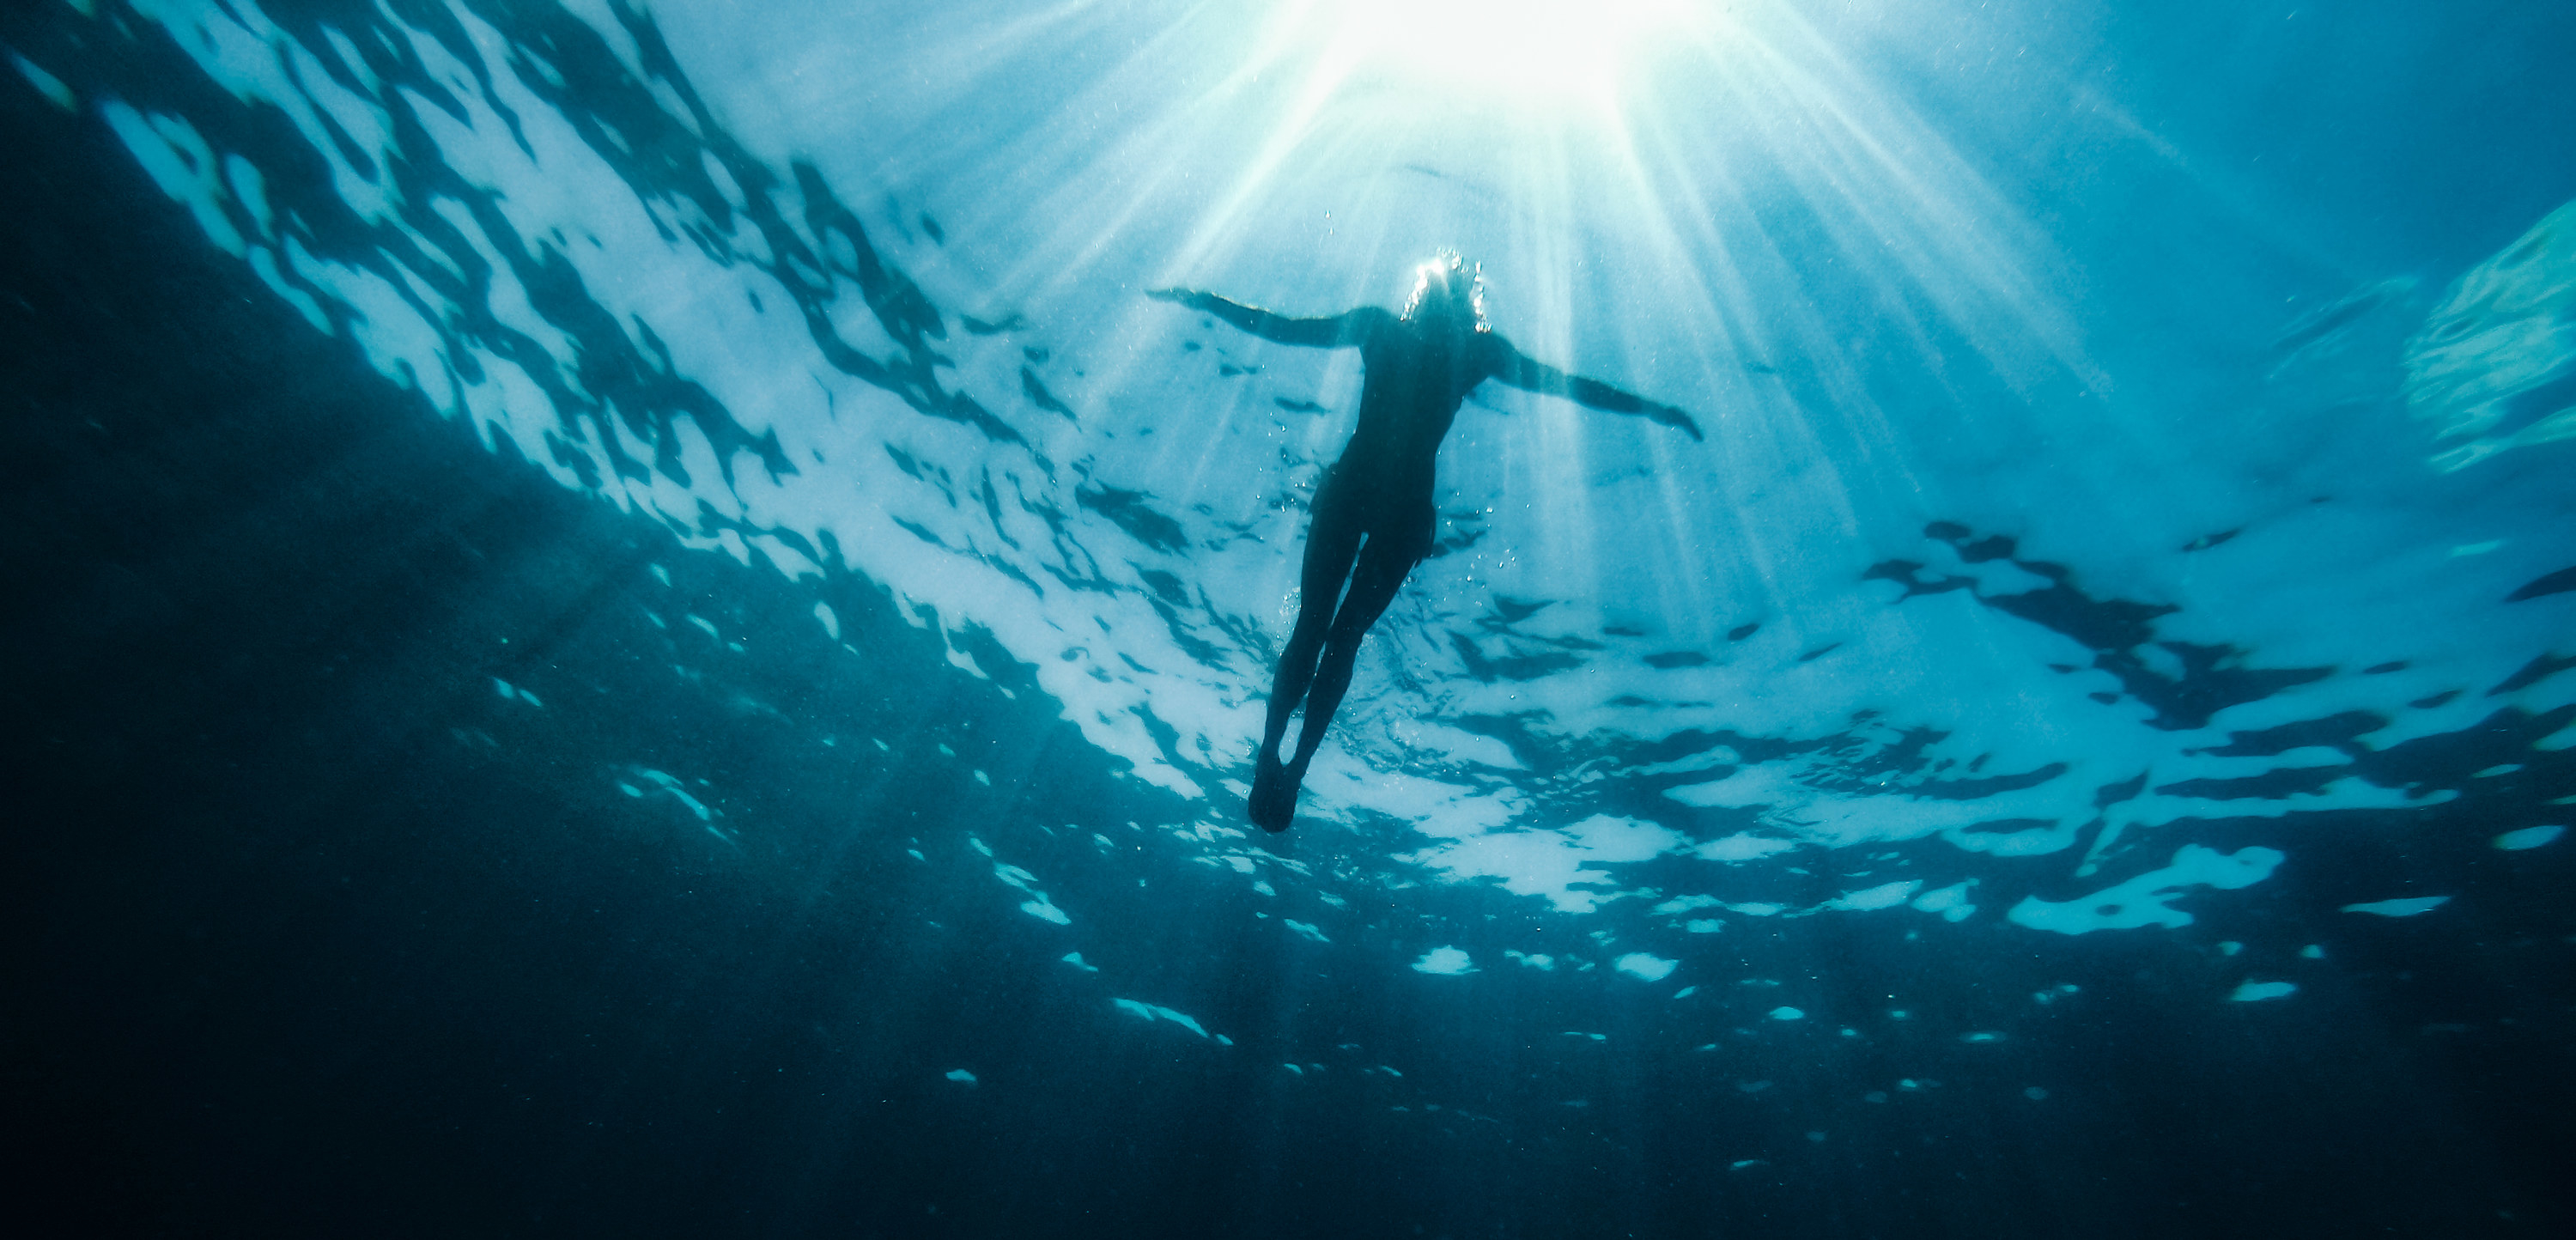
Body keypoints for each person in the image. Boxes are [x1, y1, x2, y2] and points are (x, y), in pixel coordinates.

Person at [1150, 254, 1702, 831]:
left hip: (1375, 499)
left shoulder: (1428, 339)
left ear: (1435, 299)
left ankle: (1283, 760)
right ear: (1462, 303)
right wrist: (1203, 299)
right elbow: (1282, 326)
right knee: (1330, 632)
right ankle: (1279, 760)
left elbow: (1570, 387)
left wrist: (1654, 409)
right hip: (1391, 505)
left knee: (1329, 632)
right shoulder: (1444, 344)